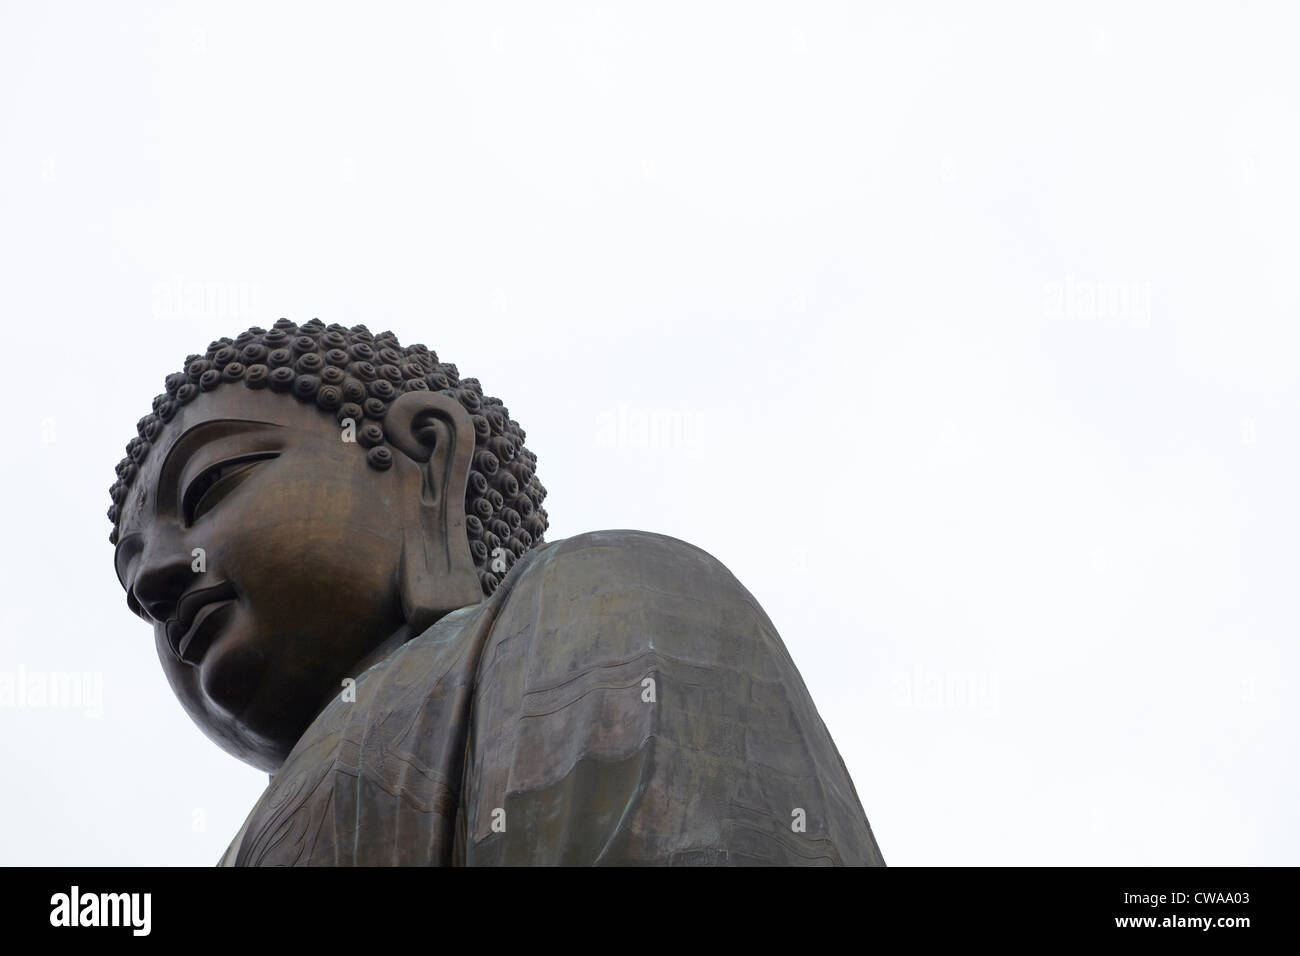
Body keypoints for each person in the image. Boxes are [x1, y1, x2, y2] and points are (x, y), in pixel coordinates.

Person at [110, 318, 885, 865]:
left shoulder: (602, 597)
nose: (155, 580)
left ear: (427, 459)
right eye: (134, 584)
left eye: (211, 485)